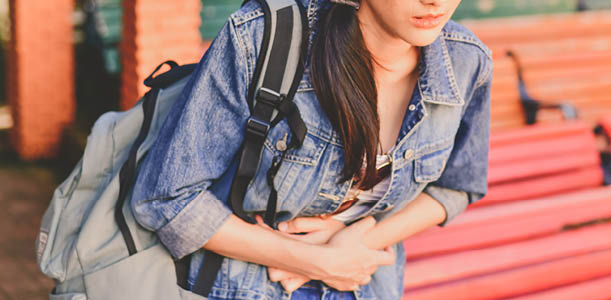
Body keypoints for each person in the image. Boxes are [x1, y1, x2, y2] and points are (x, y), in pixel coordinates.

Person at [130, 0, 492, 299]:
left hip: (367, 284)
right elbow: (166, 200)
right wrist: (315, 261)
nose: (436, 2)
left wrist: (358, 238)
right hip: (241, 285)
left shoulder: (465, 62)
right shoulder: (263, 39)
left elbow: (458, 184)